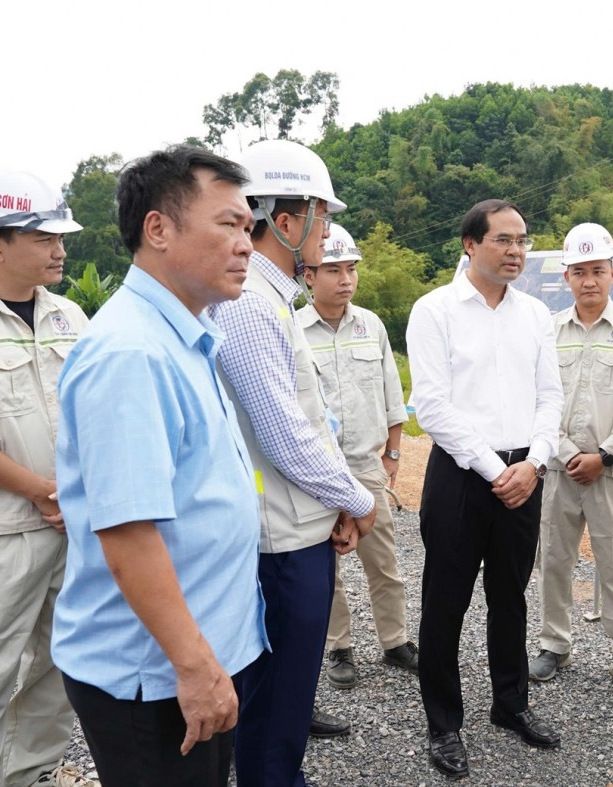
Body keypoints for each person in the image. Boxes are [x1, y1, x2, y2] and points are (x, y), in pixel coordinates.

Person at [51, 145, 268, 786]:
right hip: (157, 676)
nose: (247, 245)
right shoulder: (131, 352)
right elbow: (128, 532)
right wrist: (196, 666)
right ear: (159, 229)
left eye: (250, 228)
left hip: (194, 659)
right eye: (228, 224)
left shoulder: (185, 336)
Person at [208, 139, 376, 787]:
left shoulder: (269, 296)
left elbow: (313, 420)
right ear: (284, 221)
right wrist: (357, 499)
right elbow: (286, 433)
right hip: (281, 542)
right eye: (321, 215)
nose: (327, 230)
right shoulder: (251, 302)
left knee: (284, 702)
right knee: (276, 708)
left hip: (298, 524)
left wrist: (337, 498)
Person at [0, 169, 95, 787]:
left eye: (61, 236)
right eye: (45, 237)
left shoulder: (70, 317)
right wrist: (42, 492)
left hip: (72, 527)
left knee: (62, 667)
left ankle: (27, 775)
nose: (60, 249)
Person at [406, 199, 564, 778]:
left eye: (522, 240)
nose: (517, 251)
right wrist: (493, 469)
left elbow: (551, 395)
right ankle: (444, 725)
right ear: (470, 244)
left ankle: (511, 704)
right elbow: (433, 405)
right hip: (460, 477)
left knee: (510, 597)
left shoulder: (536, 316)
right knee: (444, 605)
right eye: (503, 240)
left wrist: (535, 462)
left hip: (526, 474)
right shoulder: (435, 311)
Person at [528, 222, 613, 697]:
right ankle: (554, 643)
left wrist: (604, 453)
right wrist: (564, 451)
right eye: (579, 272)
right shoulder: (548, 332)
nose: (589, 281)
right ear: (566, 277)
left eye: (597, 270)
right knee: (554, 560)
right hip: (558, 471)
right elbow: (536, 397)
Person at [297, 225, 418, 689]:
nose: (345, 279)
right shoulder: (293, 329)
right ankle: (339, 647)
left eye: (351, 269)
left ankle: (395, 640)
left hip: (366, 466)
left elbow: (392, 393)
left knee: (383, 558)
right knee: (326, 563)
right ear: (309, 275)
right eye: (333, 269)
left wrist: (392, 452)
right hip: (316, 469)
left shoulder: (372, 325)